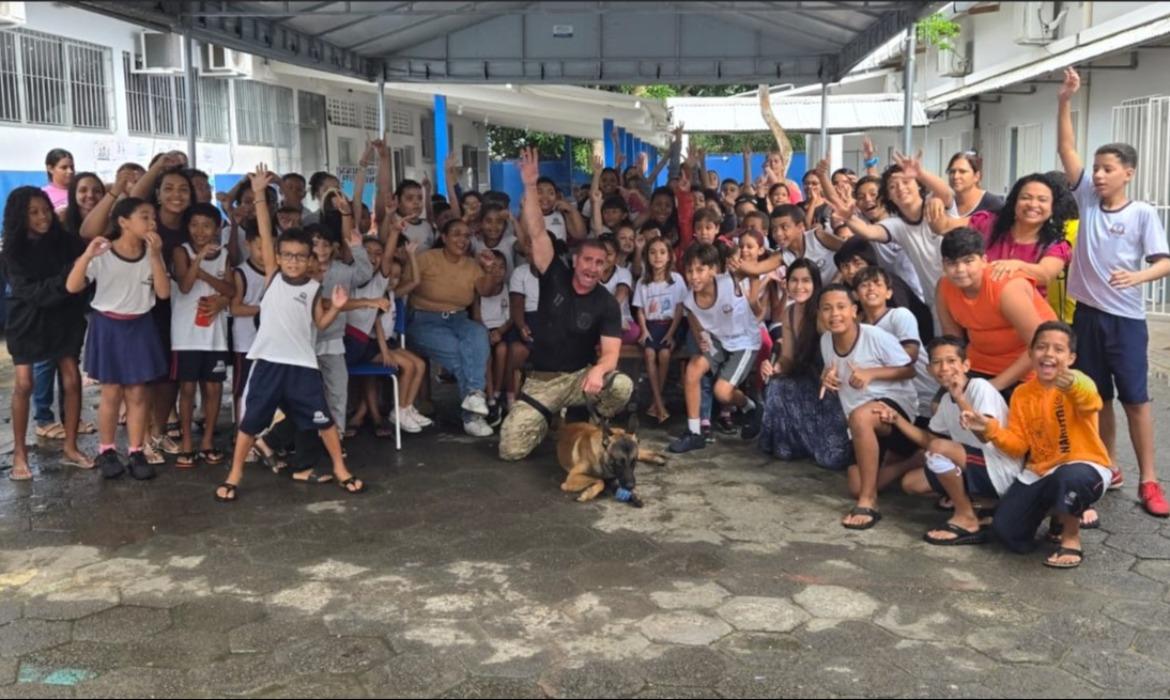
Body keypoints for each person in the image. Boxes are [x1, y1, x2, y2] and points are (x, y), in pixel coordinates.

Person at [1057, 67, 1170, 517]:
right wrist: (1065, 100)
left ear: (1128, 172)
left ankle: (1149, 478)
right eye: (1097, 169)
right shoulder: (1085, 200)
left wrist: (1137, 278)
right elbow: (1067, 147)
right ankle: (1109, 465)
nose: (1099, 176)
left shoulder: (1142, 213)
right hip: (1086, 314)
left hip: (1126, 321)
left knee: (1136, 400)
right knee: (1097, 396)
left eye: (1108, 169)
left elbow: (1164, 262)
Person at [217, 164, 364, 503]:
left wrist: (337, 306)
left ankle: (340, 469)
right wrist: (257, 196)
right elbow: (266, 235)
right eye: (288, 256)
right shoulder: (272, 276)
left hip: (302, 364)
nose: (294, 262)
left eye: (301, 257)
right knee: (250, 423)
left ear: (310, 259)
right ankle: (234, 475)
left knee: (322, 420)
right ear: (279, 259)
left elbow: (321, 324)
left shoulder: (314, 287)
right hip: (268, 361)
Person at [498, 148, 632, 462]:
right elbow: (536, 231)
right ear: (575, 260)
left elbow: (611, 354)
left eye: (600, 263)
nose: (592, 268)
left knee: (621, 385)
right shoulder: (554, 273)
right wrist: (529, 186)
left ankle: (591, 420)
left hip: (580, 378)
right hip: (543, 380)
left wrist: (599, 371)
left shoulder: (607, 303)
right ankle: (546, 419)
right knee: (510, 450)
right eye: (587, 260)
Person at [965, 322, 1112, 569]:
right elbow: (1018, 445)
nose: (1049, 354)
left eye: (1058, 349)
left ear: (1071, 357)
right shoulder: (1022, 393)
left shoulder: (1078, 381)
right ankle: (1056, 514)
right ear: (1031, 354)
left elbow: (1091, 401)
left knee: (1070, 477)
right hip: (1040, 471)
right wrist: (989, 430)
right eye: (1042, 347)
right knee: (1006, 533)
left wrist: (1073, 384)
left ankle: (1070, 537)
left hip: (1084, 466)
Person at [876, 336, 1023, 545]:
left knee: (938, 449)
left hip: (999, 469)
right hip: (975, 465)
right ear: (929, 369)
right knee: (911, 483)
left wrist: (961, 398)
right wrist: (897, 420)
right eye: (936, 362)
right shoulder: (946, 400)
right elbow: (929, 440)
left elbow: (984, 433)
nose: (944, 368)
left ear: (966, 365)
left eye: (951, 361)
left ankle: (966, 517)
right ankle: (982, 505)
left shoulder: (979, 387)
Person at [65, 197, 171, 481]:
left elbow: (162, 293)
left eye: (153, 217)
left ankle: (136, 450)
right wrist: (87, 256)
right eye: (145, 217)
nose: (152, 222)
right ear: (123, 222)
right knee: (111, 392)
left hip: (140, 324)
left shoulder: (152, 253)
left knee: (138, 393)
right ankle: (107, 449)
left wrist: (156, 256)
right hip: (108, 325)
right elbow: (73, 285)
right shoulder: (104, 253)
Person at [2, 188, 92, 480]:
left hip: (64, 318)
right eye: (34, 212)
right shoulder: (12, 251)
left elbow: (85, 275)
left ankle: (70, 445)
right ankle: (19, 451)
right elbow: (31, 292)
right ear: (20, 216)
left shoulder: (66, 241)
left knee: (71, 377)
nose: (43, 217)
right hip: (26, 321)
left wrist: (69, 283)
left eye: (45, 210)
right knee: (24, 384)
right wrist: (67, 280)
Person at [818, 284, 918, 530]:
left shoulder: (874, 335)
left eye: (841, 307)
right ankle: (914, 461)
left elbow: (909, 369)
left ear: (854, 311)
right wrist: (825, 377)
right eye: (827, 309)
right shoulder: (825, 341)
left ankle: (869, 501)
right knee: (855, 485)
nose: (834, 314)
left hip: (894, 410)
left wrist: (871, 373)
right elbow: (830, 369)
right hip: (859, 418)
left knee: (861, 417)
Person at [404, 217, 498, 437]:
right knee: (462, 356)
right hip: (425, 320)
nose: (462, 240)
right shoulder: (427, 259)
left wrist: (490, 269)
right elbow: (403, 287)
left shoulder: (473, 264)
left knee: (478, 333)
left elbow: (485, 290)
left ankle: (474, 396)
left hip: (459, 318)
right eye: (456, 234)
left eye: (466, 236)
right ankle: (472, 417)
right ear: (444, 237)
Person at [937, 228, 1056, 399]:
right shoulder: (943, 287)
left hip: (1027, 367)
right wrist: (953, 375)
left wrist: (993, 386)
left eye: (968, 261)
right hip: (977, 363)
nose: (960, 269)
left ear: (984, 260)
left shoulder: (1007, 288)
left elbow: (1041, 345)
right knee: (942, 405)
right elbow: (953, 341)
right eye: (952, 263)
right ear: (944, 265)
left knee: (993, 412)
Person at [669, 243, 762, 453]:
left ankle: (750, 407)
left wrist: (746, 266)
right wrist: (702, 339)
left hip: (744, 341)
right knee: (693, 368)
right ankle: (694, 432)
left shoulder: (730, 280)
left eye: (700, 269)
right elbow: (695, 322)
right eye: (690, 270)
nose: (694, 276)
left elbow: (755, 272)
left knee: (722, 392)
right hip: (718, 340)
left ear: (713, 270)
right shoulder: (689, 300)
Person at [758, 259, 851, 468]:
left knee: (832, 459)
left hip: (832, 384)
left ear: (815, 283)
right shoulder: (789, 312)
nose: (799, 287)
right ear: (787, 283)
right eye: (794, 280)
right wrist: (775, 368)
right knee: (776, 385)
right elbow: (788, 358)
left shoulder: (823, 311)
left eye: (806, 281)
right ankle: (790, 445)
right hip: (806, 377)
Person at [927, 172, 1073, 298]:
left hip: (1024, 316)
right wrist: (936, 203)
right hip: (978, 312)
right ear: (1014, 201)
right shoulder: (989, 223)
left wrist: (1016, 266)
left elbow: (1045, 274)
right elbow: (942, 227)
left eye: (1042, 200)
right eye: (1026, 197)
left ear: (1053, 207)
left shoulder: (1056, 244)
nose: (1033, 204)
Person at [170, 203, 235, 468]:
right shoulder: (180, 251)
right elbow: (185, 285)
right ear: (187, 227)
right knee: (187, 389)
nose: (200, 231)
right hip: (186, 336)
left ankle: (207, 440)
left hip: (215, 335)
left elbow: (230, 290)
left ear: (217, 228)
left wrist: (208, 274)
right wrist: (198, 259)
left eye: (206, 225)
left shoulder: (225, 255)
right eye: (194, 225)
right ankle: (187, 442)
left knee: (213, 387)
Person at [633, 236, 686, 424]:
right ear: (647, 256)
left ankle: (656, 402)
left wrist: (671, 334)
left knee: (664, 355)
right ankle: (658, 403)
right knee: (649, 353)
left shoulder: (676, 280)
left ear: (670, 256)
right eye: (653, 252)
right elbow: (639, 309)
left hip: (670, 325)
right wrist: (644, 331)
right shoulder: (643, 282)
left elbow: (680, 309)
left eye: (662, 252)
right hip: (651, 326)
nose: (658, 257)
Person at [475, 250, 512, 427]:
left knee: (503, 349)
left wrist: (500, 332)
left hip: (500, 330)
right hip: (482, 330)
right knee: (487, 356)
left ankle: (497, 393)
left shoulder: (506, 289)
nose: (498, 271)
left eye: (502, 267)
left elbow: (510, 316)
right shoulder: (479, 289)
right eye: (493, 266)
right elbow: (476, 316)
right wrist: (487, 333)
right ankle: (490, 399)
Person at [505, 258, 541, 413]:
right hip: (525, 318)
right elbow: (517, 303)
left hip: (550, 320)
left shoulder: (559, 273)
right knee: (517, 351)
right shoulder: (520, 272)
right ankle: (511, 399)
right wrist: (521, 326)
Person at [946, 152, 1004, 217]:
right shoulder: (944, 203)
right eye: (952, 172)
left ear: (976, 176)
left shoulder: (994, 205)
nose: (955, 176)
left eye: (962, 172)